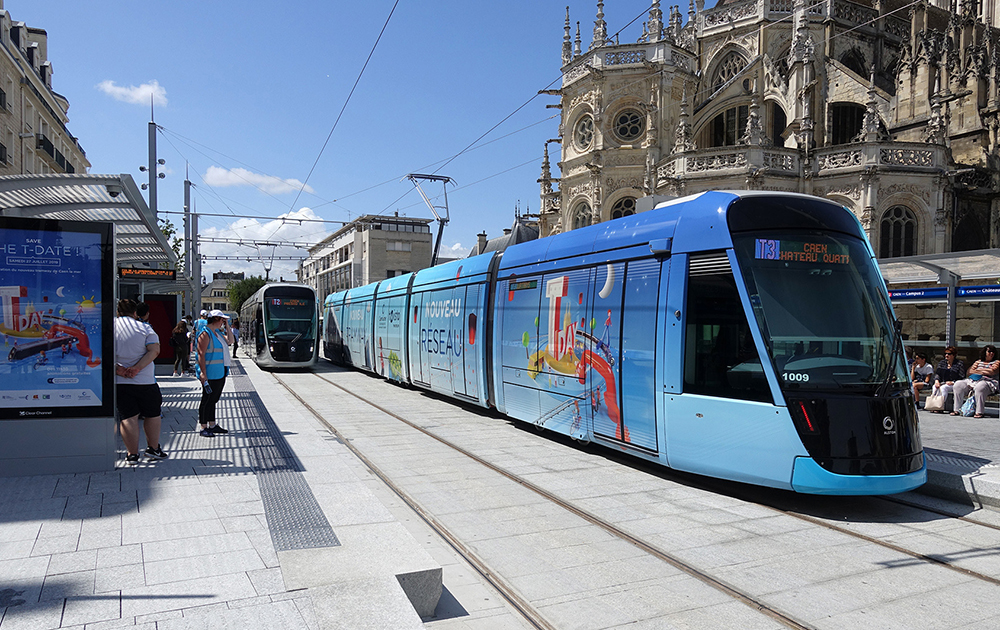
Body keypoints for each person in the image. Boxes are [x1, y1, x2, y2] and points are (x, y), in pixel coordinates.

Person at [114, 299, 168, 464]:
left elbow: (101, 351)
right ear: (135, 313)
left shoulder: (110, 327)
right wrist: (137, 368)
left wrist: (119, 369)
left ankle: (132, 454)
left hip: (120, 381)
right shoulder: (145, 328)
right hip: (145, 381)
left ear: (117, 312)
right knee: (152, 414)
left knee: (128, 417)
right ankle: (153, 449)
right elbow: (154, 350)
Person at [196, 310, 234, 437]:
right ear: (217, 319)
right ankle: (203, 427)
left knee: (213, 399)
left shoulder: (216, 333)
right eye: (222, 320)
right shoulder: (205, 333)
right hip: (210, 372)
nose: (223, 322)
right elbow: (201, 354)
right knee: (207, 399)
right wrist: (203, 373)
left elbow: (230, 341)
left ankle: (212, 425)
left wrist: (228, 326)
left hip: (219, 372)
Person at [951, 345, 1000, 418]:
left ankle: (979, 412)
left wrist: (977, 371)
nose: (991, 353)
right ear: (985, 352)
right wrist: (983, 371)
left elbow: (992, 372)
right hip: (973, 380)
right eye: (989, 351)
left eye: (993, 352)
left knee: (980, 386)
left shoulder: (996, 362)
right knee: (958, 384)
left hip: (988, 382)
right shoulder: (978, 361)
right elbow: (969, 371)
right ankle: (957, 409)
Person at [932, 346, 965, 413]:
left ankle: (940, 406)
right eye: (945, 354)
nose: (947, 355)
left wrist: (953, 382)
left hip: (954, 384)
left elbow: (962, 376)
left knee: (944, 388)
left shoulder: (959, 364)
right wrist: (936, 381)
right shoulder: (942, 363)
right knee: (935, 387)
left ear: (953, 355)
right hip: (943, 382)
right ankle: (934, 405)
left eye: (949, 354)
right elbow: (937, 374)